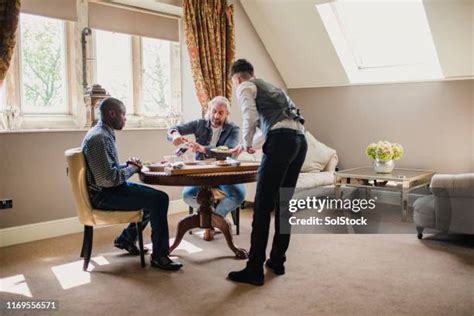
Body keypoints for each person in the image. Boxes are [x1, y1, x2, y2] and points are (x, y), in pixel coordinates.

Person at [227, 59, 308, 286]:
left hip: (282, 142)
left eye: (234, 83)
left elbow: (249, 117)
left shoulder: (245, 86)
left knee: (262, 207)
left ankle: (254, 269)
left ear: (238, 78)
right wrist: (246, 145)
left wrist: (245, 140)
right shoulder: (274, 88)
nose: (236, 87)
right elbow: (275, 126)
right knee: (284, 205)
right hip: (300, 141)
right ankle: (277, 260)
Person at [81, 97, 182, 271]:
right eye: (123, 114)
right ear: (112, 113)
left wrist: (127, 166)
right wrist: (132, 169)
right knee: (159, 200)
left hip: (107, 190)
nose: (125, 118)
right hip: (103, 195)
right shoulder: (99, 138)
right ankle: (159, 256)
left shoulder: (102, 133)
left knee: (153, 198)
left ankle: (126, 240)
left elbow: (108, 170)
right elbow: (107, 179)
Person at [167, 96, 246, 231]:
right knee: (187, 195)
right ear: (208, 110)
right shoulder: (199, 124)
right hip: (201, 172)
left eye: (221, 113)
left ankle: (212, 221)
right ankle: (214, 219)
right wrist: (175, 135)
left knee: (238, 195)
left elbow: (228, 151)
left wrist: (203, 149)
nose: (216, 116)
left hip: (224, 172)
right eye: (214, 111)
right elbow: (173, 128)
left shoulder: (234, 129)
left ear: (227, 114)